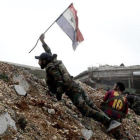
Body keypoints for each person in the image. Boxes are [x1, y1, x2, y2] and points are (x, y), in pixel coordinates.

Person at [35, 34, 121, 133]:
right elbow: (48, 52)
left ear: (44, 61)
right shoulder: (54, 61)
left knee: (86, 110)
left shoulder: (50, 67)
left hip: (73, 91)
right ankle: (112, 122)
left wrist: (58, 98)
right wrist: (43, 42)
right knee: (91, 106)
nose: (39, 63)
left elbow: (59, 82)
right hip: (76, 86)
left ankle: (110, 122)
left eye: (40, 61)